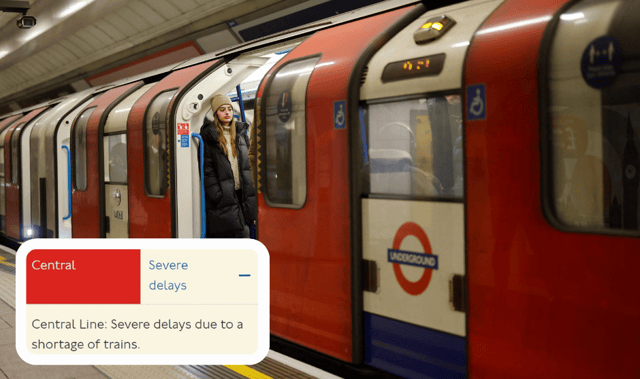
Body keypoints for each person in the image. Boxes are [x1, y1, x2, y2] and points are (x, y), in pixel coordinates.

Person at [201, 94, 256, 238]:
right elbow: (208, 170)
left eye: (229, 109)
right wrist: (218, 194)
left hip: (242, 193)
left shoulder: (241, 134)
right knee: (239, 235)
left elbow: (248, 164)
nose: (227, 113)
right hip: (224, 196)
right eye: (222, 109)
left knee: (245, 233)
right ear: (215, 114)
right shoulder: (210, 138)